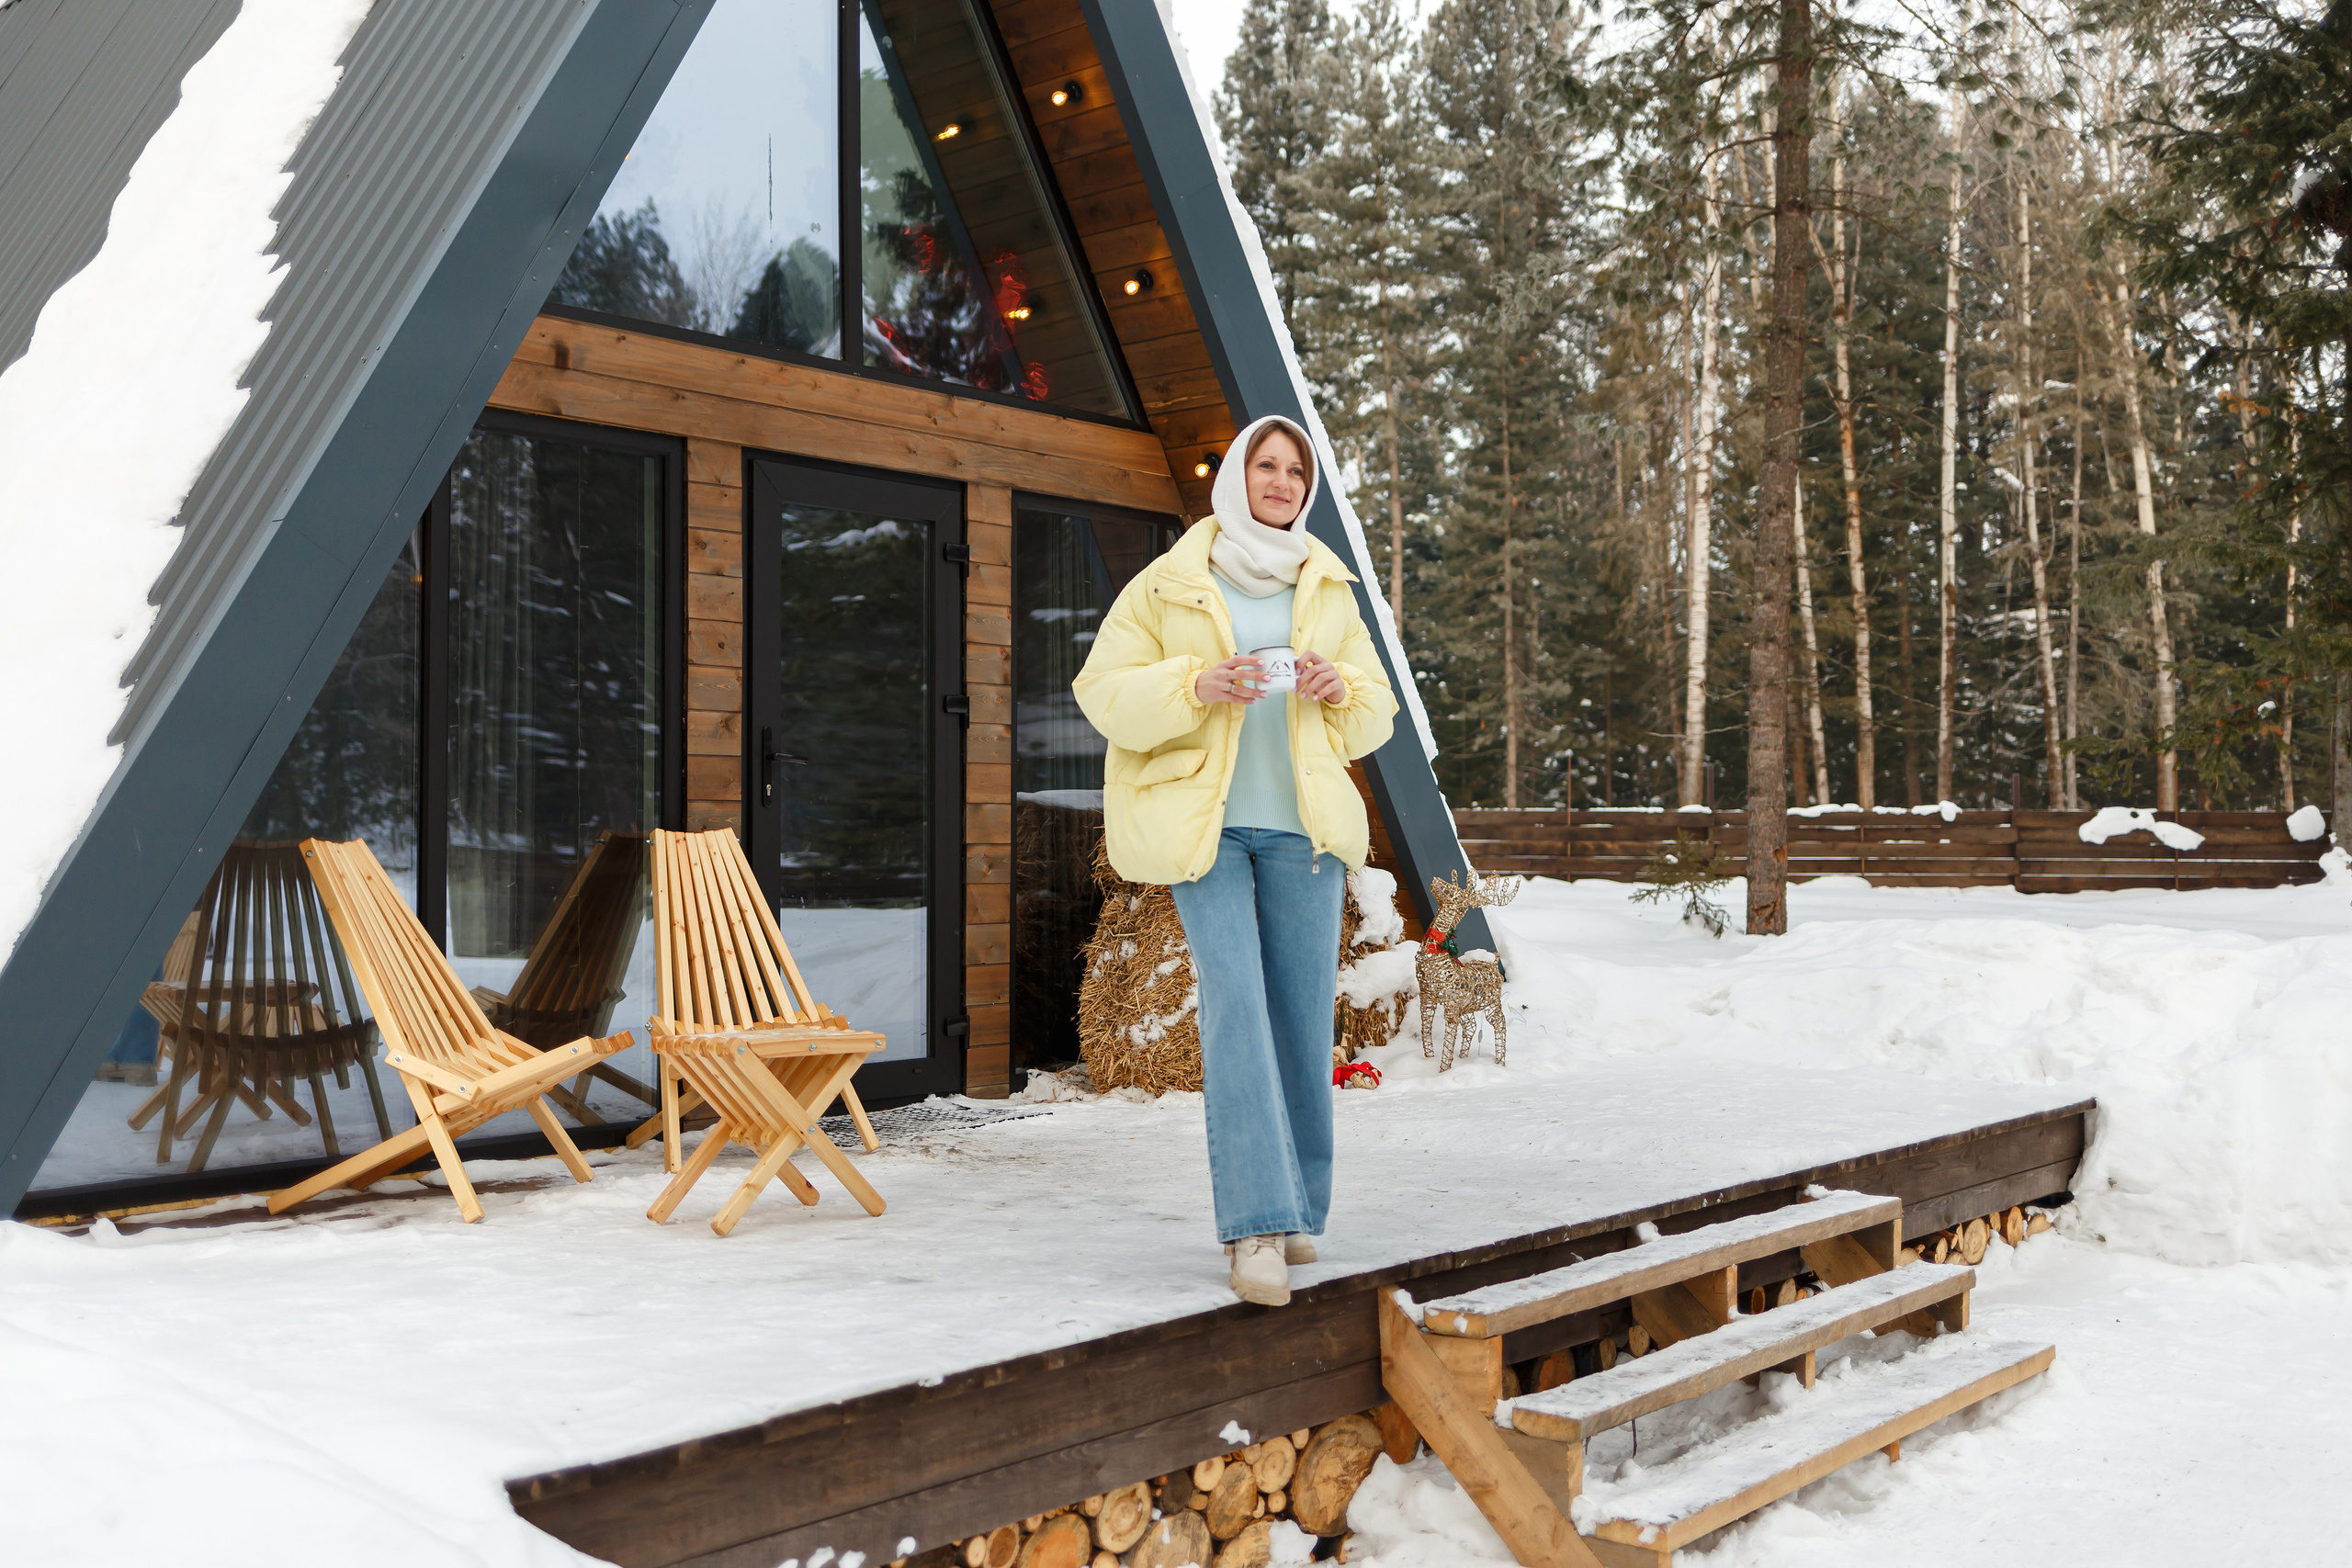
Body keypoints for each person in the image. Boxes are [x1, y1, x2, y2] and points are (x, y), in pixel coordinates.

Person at [1073, 413, 1398, 1306]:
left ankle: (1296, 1207)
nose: (1284, 481)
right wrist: (1195, 684)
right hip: (1205, 831)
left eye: (1298, 470)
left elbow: (1376, 713)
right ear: (1236, 477)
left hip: (1302, 834)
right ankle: (1252, 1227)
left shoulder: (1326, 586)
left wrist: (1339, 691)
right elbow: (1100, 693)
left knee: (1298, 1016)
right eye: (1268, 464)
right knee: (1238, 1013)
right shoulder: (1172, 583)